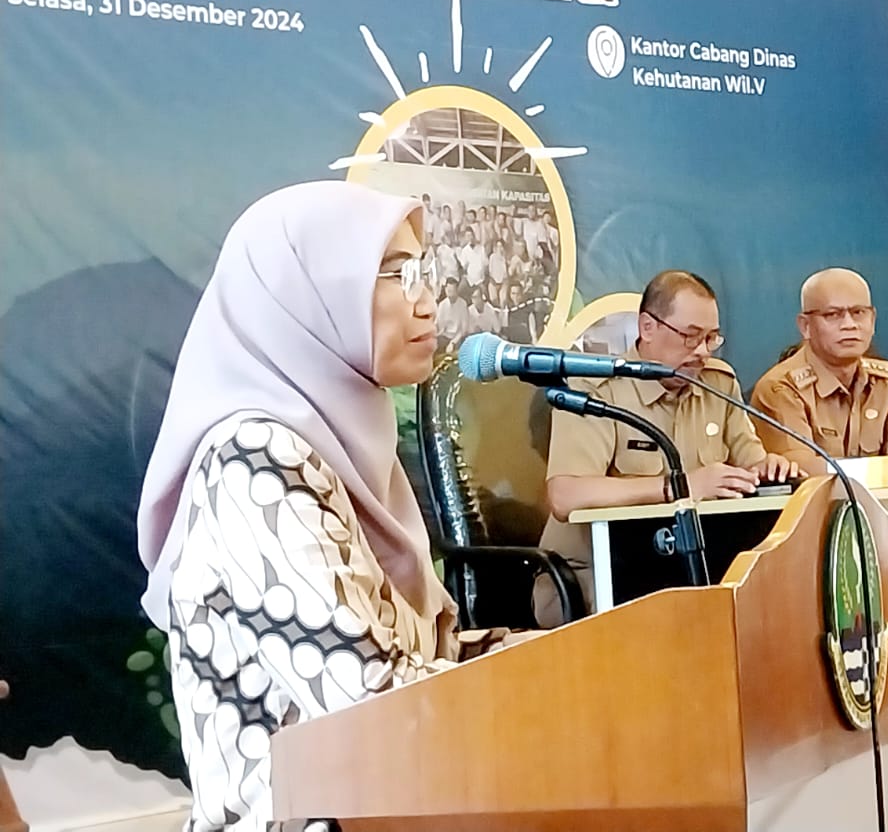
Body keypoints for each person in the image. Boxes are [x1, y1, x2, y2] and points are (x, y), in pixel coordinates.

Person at [135, 181, 503, 832]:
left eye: (422, 272)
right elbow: (364, 699)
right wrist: (531, 682)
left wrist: (543, 656)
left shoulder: (340, 448)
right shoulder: (254, 458)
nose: (427, 302)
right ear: (305, 295)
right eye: (396, 275)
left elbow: (410, 657)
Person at [539, 271, 799, 605]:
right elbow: (566, 496)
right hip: (597, 573)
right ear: (647, 327)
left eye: (712, 338)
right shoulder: (594, 390)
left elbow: (751, 463)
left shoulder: (717, 384)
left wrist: (768, 470)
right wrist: (679, 487)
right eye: (690, 336)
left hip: (694, 567)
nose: (703, 351)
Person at [750, 268, 888, 482]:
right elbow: (803, 472)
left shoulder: (882, 382)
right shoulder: (781, 388)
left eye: (859, 312)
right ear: (805, 326)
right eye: (833, 315)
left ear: (873, 319)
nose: (849, 325)